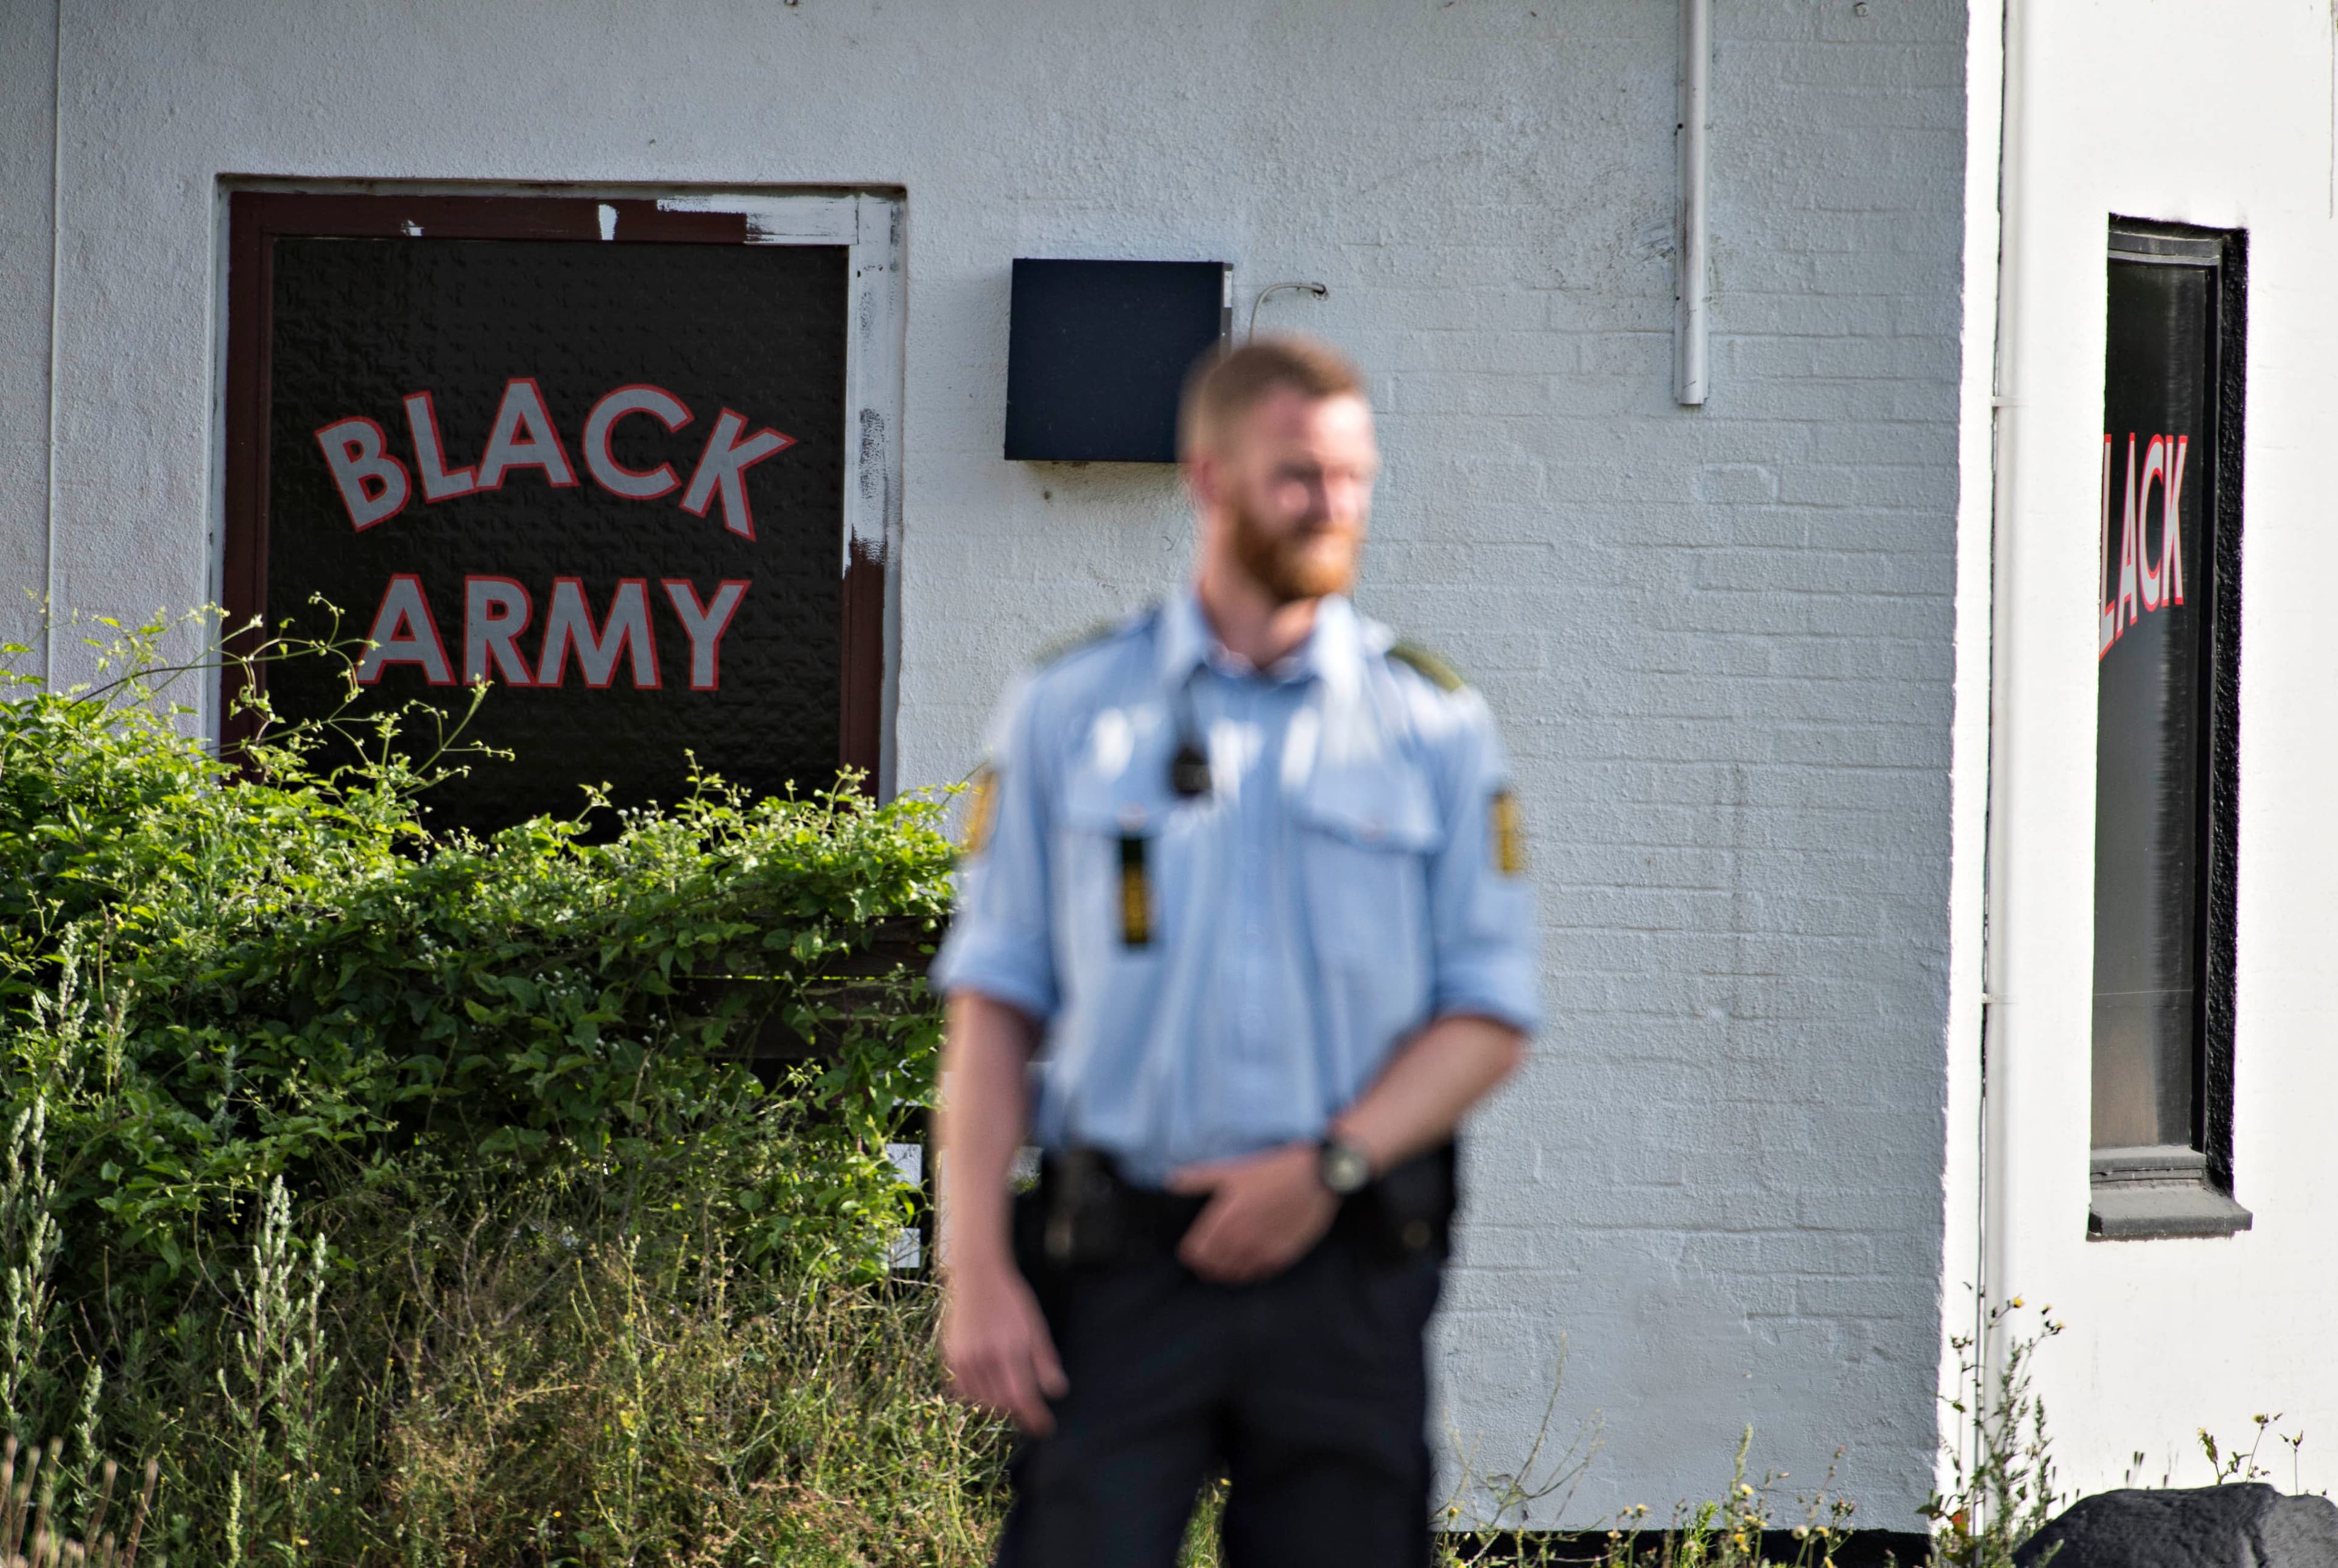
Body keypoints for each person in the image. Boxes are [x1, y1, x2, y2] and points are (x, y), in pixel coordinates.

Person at [930, 334, 1540, 1568]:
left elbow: (1486, 1011)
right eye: (1300, 475)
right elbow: (996, 1009)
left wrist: (1331, 1167)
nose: (1336, 507)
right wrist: (975, 1265)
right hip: (1120, 1268)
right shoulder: (1072, 711)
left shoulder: (1431, 728)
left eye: (1354, 477)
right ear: (1209, 478)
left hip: (1343, 1269)